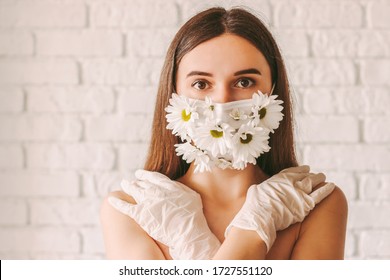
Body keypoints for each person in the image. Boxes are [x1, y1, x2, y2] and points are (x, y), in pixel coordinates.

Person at [100, 7, 348, 260]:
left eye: (244, 82)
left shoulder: (314, 203)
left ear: (273, 92)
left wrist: (255, 224)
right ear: (173, 94)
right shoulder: (132, 209)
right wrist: (233, 236)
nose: (221, 102)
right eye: (201, 84)